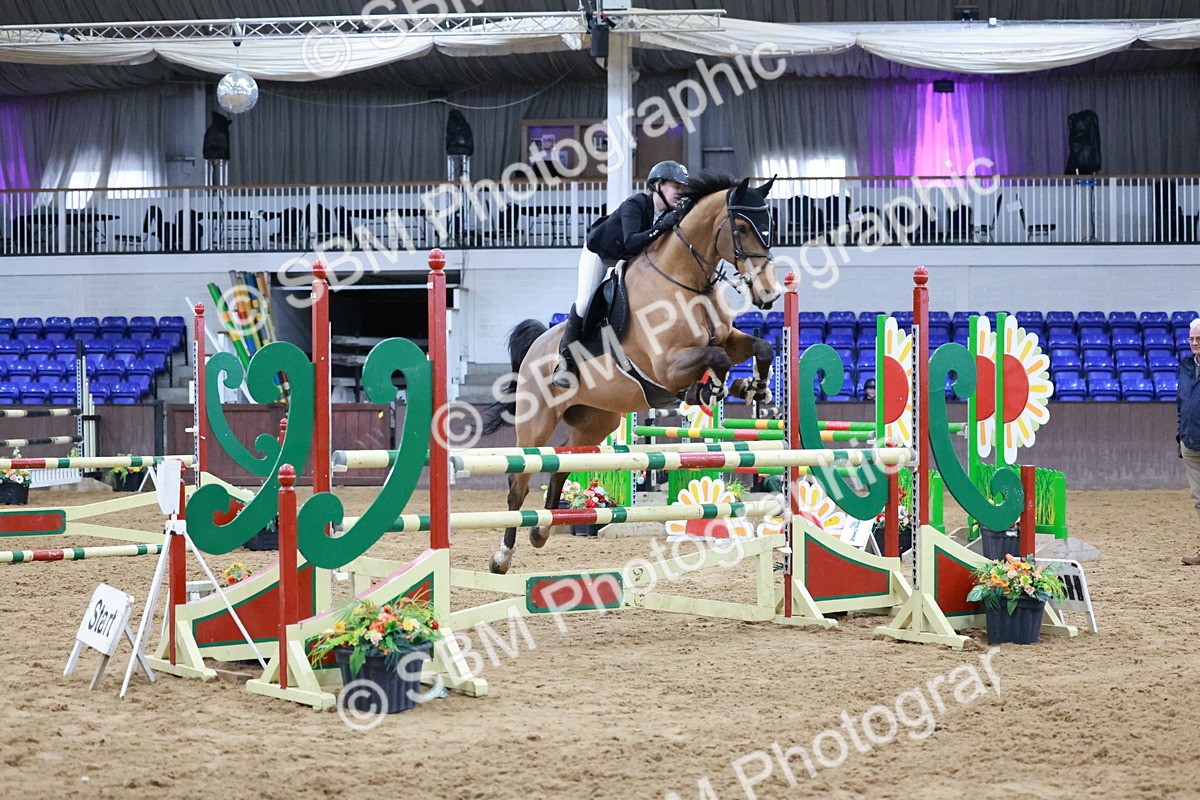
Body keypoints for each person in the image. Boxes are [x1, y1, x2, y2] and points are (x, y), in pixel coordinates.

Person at [551, 160, 689, 387]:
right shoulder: (635, 204)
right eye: (676, 187)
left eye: (683, 188)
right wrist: (663, 226)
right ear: (657, 185)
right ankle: (565, 363)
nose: (680, 193)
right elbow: (632, 242)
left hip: (627, 261)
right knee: (585, 302)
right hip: (600, 255)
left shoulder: (669, 214)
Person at [1178, 319, 1200, 565]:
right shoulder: (1185, 366)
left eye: (1199, 339)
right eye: (1192, 339)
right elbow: (1181, 403)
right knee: (1199, 500)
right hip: (1190, 443)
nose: (1195, 343)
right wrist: (1180, 434)